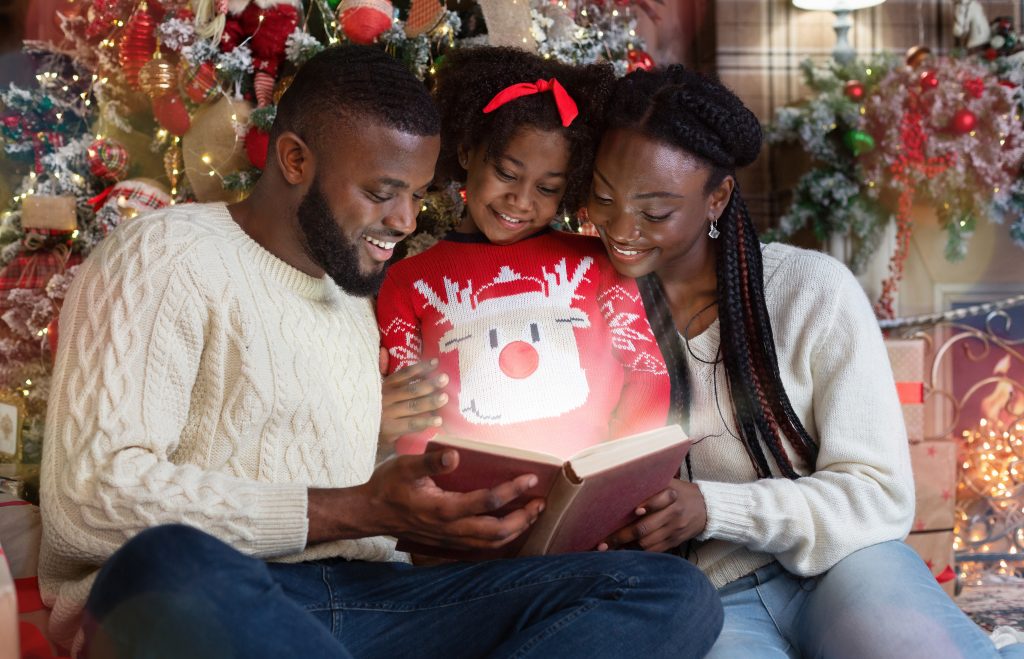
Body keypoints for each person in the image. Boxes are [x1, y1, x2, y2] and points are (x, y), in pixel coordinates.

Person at [38, 46, 724, 658]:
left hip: (372, 601)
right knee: (169, 563)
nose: (404, 220)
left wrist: (448, 506)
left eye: (418, 194)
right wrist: (353, 508)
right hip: (220, 594)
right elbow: (91, 500)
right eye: (382, 191)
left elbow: (368, 490)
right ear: (296, 159)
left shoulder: (354, 297)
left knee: (668, 591)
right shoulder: (165, 254)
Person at [588, 65, 1024, 658]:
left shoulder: (811, 292)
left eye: (654, 211)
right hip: (704, 597)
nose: (620, 229)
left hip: (846, 567)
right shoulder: (582, 303)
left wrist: (713, 508)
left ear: (717, 198)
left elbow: (879, 496)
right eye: (605, 198)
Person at [376, 46, 670, 457]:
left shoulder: (596, 265)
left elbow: (647, 374)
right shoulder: (407, 284)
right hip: (461, 507)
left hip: (586, 501)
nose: (520, 200)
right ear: (466, 153)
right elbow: (411, 413)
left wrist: (611, 478)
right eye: (506, 173)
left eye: (547, 188)